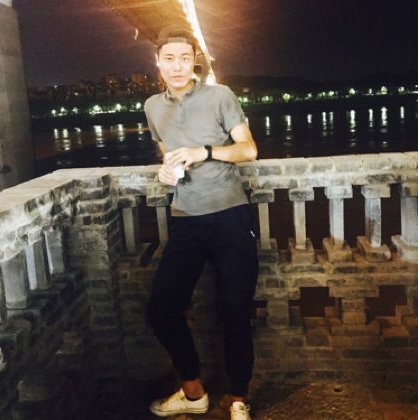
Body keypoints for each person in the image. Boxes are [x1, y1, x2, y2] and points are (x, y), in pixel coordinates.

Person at [144, 24, 259, 420]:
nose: (177, 66)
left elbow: (248, 150)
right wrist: (166, 172)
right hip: (186, 219)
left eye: (184, 58)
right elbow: (167, 154)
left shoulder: (220, 95)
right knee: (162, 308)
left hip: (230, 216)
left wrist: (204, 151)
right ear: (158, 62)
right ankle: (193, 392)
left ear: (195, 60)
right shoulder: (152, 106)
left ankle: (239, 398)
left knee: (234, 311)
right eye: (169, 59)